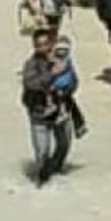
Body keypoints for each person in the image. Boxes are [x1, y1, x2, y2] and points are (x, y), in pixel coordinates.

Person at [20, 27, 74, 188]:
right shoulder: (30, 65)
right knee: (42, 152)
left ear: (51, 44)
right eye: (39, 45)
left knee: (64, 145)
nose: (43, 48)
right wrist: (52, 74)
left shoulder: (62, 60)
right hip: (39, 114)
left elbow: (74, 82)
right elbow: (31, 84)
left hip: (60, 112)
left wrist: (67, 85)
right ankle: (40, 183)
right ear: (34, 46)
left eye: (46, 44)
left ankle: (54, 171)